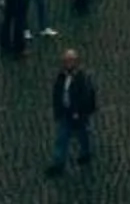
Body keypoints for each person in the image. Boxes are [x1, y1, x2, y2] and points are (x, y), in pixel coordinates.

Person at [46, 48, 100, 176]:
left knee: (83, 135)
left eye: (70, 61)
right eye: (65, 61)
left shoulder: (82, 78)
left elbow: (86, 96)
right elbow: (57, 94)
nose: (67, 63)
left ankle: (85, 153)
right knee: (62, 138)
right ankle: (58, 163)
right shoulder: (62, 76)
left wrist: (80, 112)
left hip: (78, 114)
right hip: (66, 113)